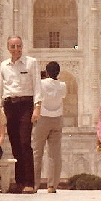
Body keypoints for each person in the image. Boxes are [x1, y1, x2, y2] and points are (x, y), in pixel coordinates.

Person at [0, 36, 41, 194]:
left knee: (24, 143)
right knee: (15, 144)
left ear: (22, 46)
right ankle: (19, 182)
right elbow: (0, 88)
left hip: (25, 105)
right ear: (8, 48)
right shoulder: (4, 65)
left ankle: (29, 182)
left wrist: (37, 107)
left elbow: (37, 85)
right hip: (9, 105)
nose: (16, 49)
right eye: (13, 46)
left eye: (19, 46)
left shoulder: (31, 63)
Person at [32, 61, 66, 193]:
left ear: (46, 72)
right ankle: (52, 185)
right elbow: (62, 95)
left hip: (42, 119)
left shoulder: (41, 83)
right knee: (54, 154)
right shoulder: (62, 85)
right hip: (57, 119)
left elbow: (37, 97)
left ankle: (34, 184)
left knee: (37, 153)